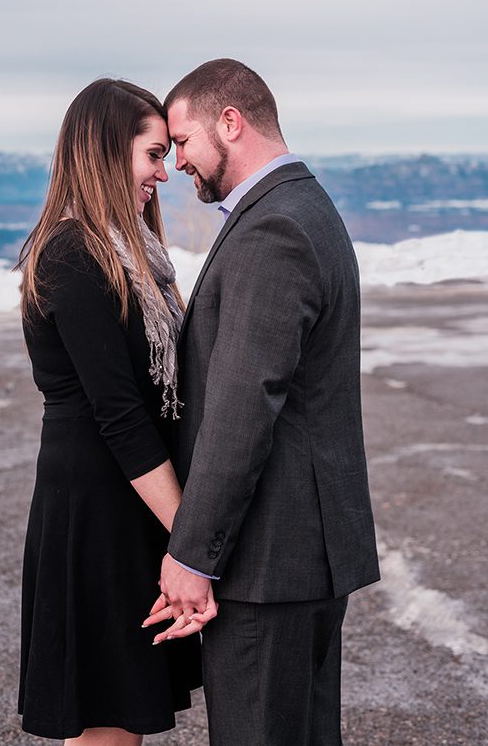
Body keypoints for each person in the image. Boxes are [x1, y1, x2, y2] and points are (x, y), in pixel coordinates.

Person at [156, 58, 379, 746]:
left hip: (270, 565)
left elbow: (245, 404)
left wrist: (192, 555)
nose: (178, 163)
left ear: (231, 121)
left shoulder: (273, 228)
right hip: (302, 556)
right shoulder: (301, 206)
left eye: (184, 141)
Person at [16, 79, 203, 745]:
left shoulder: (137, 258)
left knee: (124, 720)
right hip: (95, 516)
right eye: (153, 154)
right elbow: (120, 413)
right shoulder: (73, 255)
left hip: (130, 506)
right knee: (106, 727)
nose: (164, 171)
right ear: (104, 149)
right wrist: (193, 539)